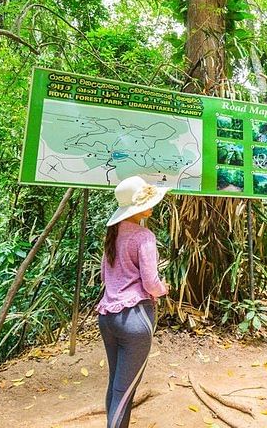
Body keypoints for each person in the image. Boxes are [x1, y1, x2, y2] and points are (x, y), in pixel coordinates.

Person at [96, 176, 170, 428]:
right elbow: (151, 283)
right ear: (138, 207)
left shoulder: (112, 234)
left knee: (116, 387)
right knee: (124, 392)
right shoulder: (144, 236)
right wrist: (164, 289)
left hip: (107, 317)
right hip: (135, 319)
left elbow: (106, 277)